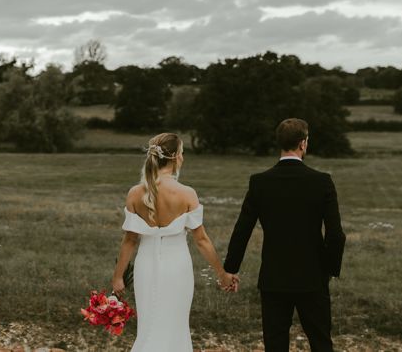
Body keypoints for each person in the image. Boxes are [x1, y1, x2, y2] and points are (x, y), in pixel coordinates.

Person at [224, 118, 346, 352]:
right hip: (313, 277)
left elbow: (242, 230)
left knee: (275, 343)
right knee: (321, 341)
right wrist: (329, 270)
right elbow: (336, 235)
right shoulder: (321, 182)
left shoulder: (260, 182)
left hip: (274, 276)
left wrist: (231, 269)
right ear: (303, 144)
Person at [112, 132, 237, 352]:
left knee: (149, 326)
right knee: (175, 326)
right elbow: (201, 240)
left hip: (146, 266)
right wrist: (222, 274)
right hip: (177, 266)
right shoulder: (187, 194)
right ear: (176, 157)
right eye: (182, 153)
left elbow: (129, 241)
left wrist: (118, 277)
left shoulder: (134, 193)